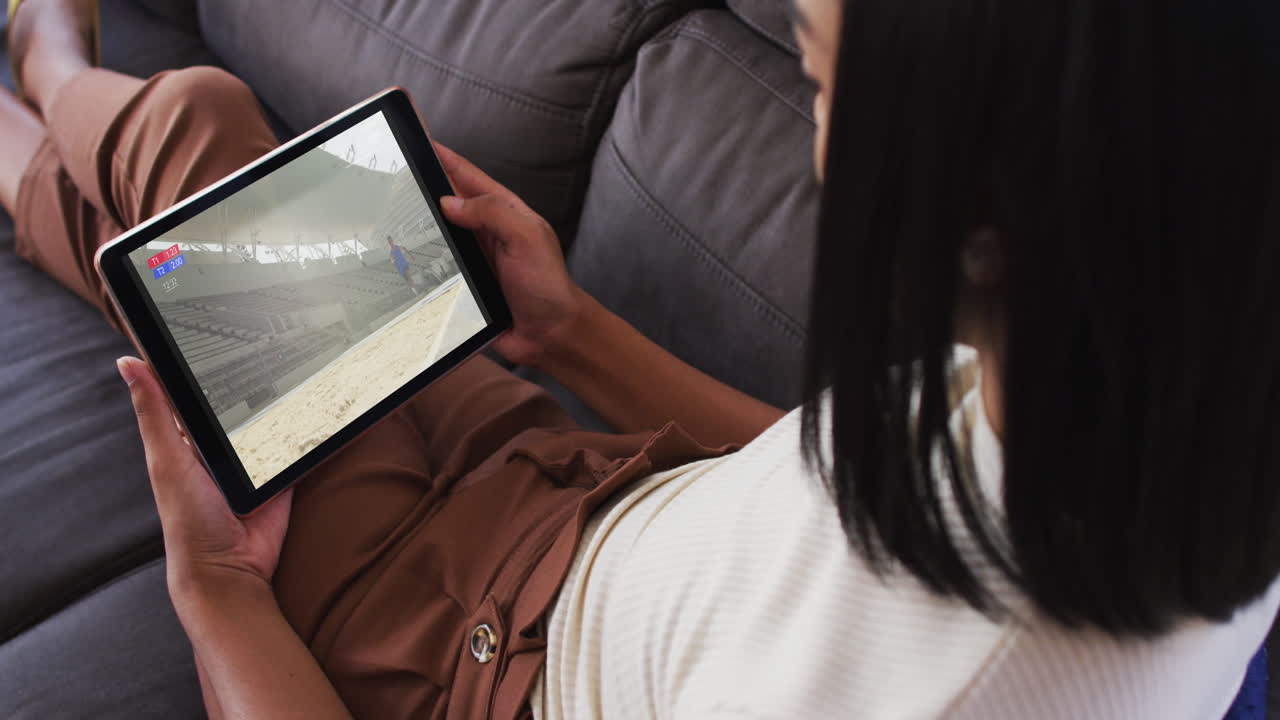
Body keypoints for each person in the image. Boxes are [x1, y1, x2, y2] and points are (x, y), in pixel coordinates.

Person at [4, 0, 1280, 717]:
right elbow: (824, 489)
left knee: (199, 134)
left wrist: (217, 591)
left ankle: (40, 65)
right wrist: (569, 335)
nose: (814, 135)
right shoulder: (1158, 407)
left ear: (981, 212)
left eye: (821, 86)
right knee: (223, 240)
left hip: (453, 647)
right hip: (578, 491)